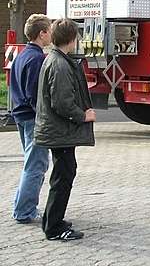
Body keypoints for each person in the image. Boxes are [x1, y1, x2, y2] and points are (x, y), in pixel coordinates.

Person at [35, 19, 96, 241]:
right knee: (63, 177)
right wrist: (83, 115)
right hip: (60, 132)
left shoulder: (56, 59)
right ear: (72, 38)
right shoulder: (59, 64)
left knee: (63, 174)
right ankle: (54, 228)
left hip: (59, 131)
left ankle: (53, 220)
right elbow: (62, 103)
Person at [10, 14, 52, 224]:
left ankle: (20, 204)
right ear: (42, 33)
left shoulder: (21, 56)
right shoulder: (37, 59)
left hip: (20, 115)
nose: (51, 34)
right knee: (36, 165)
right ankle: (25, 210)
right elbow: (34, 94)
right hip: (32, 118)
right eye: (49, 30)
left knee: (31, 163)